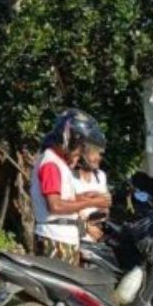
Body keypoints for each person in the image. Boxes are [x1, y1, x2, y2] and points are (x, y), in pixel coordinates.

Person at [31, 109, 111, 262]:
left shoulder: (58, 162)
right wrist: (92, 202)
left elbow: (63, 198)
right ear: (71, 140)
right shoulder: (51, 164)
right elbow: (55, 206)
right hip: (55, 238)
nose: (80, 153)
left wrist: (84, 196)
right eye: (80, 147)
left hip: (62, 237)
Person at [73, 141, 109, 243]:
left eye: (100, 154)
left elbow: (105, 206)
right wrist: (87, 227)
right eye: (94, 154)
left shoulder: (101, 176)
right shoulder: (70, 177)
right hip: (77, 236)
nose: (99, 158)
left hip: (98, 235)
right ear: (82, 155)